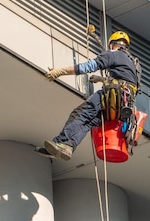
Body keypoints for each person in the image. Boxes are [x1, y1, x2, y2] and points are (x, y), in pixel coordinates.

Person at [36, 30, 141, 160]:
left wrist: (60, 71)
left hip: (114, 94)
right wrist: (102, 80)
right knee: (88, 122)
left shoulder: (114, 54)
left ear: (112, 45)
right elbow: (128, 81)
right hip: (123, 105)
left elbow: (88, 66)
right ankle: (68, 146)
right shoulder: (133, 63)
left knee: (80, 113)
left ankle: (61, 142)